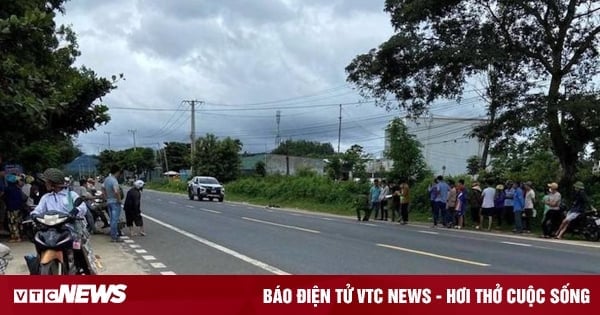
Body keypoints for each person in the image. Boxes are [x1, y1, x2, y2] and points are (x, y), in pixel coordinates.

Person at [30, 168, 97, 274]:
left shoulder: (71, 195)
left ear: (53, 183)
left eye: (46, 181)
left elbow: (82, 207)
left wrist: (75, 211)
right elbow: (38, 209)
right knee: (39, 244)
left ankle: (84, 269)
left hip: (70, 229)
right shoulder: (46, 197)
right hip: (50, 231)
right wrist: (34, 215)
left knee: (79, 250)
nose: (45, 184)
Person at [103, 165, 124, 242]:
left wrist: (106, 197)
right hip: (115, 202)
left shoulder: (106, 179)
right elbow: (116, 191)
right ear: (117, 172)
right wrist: (119, 200)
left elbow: (103, 188)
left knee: (111, 219)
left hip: (109, 201)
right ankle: (114, 237)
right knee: (115, 220)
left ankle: (113, 235)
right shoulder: (114, 180)